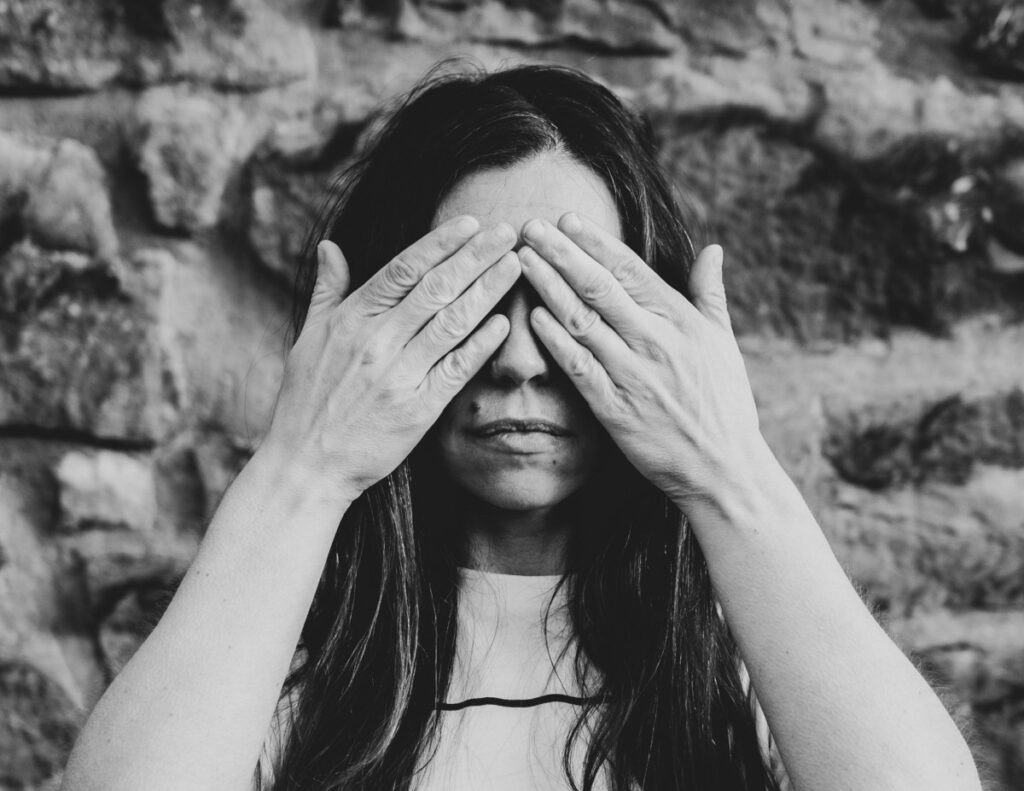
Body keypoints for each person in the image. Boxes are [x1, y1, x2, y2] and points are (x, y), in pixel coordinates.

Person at [60, 63, 982, 791]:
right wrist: (303, 465)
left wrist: (727, 467)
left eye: (570, 298)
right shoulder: (272, 681)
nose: (520, 360)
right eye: (468, 298)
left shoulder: (756, 680)